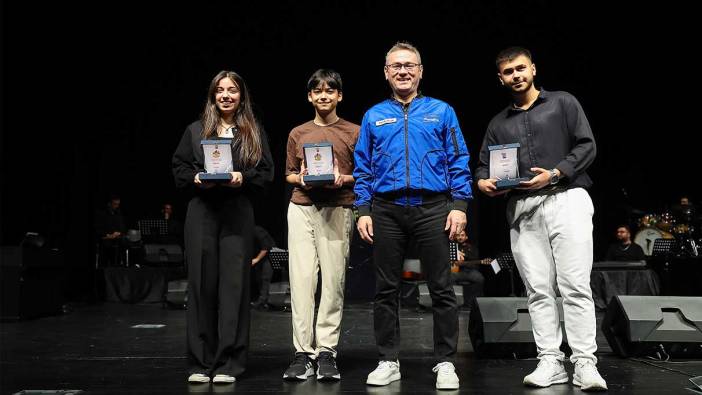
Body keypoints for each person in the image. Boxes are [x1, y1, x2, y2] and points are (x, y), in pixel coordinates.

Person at [475, 47, 607, 390]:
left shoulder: (563, 102)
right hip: (523, 208)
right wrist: (483, 181)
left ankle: (585, 363)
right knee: (537, 289)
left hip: (567, 198)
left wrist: (555, 173)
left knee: (575, 285)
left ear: (533, 68)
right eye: (508, 71)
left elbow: (587, 145)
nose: (516, 75)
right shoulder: (497, 123)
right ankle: (550, 360)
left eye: (521, 68)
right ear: (500, 78)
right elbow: (483, 166)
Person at [354, 42, 472, 390]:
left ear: (421, 71)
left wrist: (460, 206)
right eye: (396, 66)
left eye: (410, 65)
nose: (403, 71)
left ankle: (446, 362)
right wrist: (363, 210)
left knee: (441, 287)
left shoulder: (442, 111)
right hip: (386, 209)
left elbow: (458, 159)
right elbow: (362, 167)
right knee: (385, 289)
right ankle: (388, 360)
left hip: (433, 207)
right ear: (386, 73)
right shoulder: (374, 115)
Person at [172, 70, 274, 384]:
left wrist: (244, 177)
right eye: (220, 90)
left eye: (232, 90)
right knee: (201, 285)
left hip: (237, 211)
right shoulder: (195, 130)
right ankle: (200, 363)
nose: (226, 95)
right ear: (212, 96)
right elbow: (179, 168)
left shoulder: (252, 131)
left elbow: (267, 172)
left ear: (241, 96)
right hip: (202, 212)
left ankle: (230, 362)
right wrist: (196, 177)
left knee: (234, 287)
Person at [283, 69, 358, 382]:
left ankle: (326, 352)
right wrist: (300, 178)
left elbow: (366, 174)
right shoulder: (298, 133)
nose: (324, 96)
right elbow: (288, 174)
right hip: (302, 207)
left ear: (339, 95)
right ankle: (303, 354)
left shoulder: (354, 131)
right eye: (318, 91)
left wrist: (344, 178)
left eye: (330, 90)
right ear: (310, 97)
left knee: (333, 283)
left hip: (338, 207)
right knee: (301, 282)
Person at [450, 230, 485, 311]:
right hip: (457, 272)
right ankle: (454, 303)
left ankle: (472, 303)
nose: (460, 237)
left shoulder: (471, 247)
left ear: (466, 237)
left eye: (462, 235)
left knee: (480, 279)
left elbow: (475, 259)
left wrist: (464, 256)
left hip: (469, 271)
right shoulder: (453, 247)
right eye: (458, 235)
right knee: (449, 278)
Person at [94, 195, 127, 266]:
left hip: (116, 238)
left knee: (125, 242)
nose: (117, 206)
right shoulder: (101, 214)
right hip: (105, 238)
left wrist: (118, 233)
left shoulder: (118, 214)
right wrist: (108, 235)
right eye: (115, 204)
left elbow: (122, 228)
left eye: (118, 204)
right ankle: (106, 266)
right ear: (109, 204)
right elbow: (98, 229)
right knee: (107, 246)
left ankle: (121, 265)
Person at [250, 225, 275, 310]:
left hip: (269, 255)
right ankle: (262, 300)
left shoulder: (257, 231)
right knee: (258, 278)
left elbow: (265, 248)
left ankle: (262, 301)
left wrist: (256, 259)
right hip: (259, 255)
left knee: (265, 278)